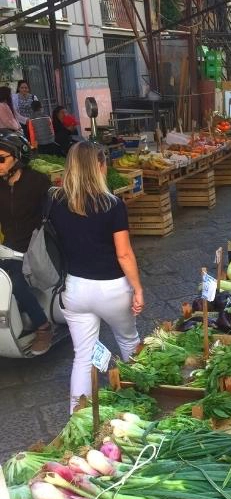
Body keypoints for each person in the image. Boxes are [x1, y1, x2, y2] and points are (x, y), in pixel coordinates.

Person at [48, 142, 143, 412]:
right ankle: (140, 401)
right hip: (111, 288)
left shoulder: (54, 201)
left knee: (83, 356)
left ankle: (77, 417)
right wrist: (137, 288)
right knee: (128, 341)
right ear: (99, 166)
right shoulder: (113, 205)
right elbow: (124, 255)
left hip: (73, 289)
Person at [0, 130, 52, 354]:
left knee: (15, 282)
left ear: (18, 157)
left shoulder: (38, 182)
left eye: (1, 158)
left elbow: (52, 214)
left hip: (33, 247)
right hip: (7, 247)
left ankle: (43, 327)